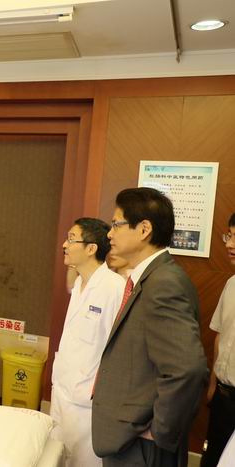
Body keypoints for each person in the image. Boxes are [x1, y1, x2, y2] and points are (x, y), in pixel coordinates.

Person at [92, 187, 208, 467]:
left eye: (116, 224)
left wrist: (160, 432)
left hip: (141, 443)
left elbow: (187, 370)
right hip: (128, 434)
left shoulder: (163, 283)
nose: (109, 234)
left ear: (144, 229)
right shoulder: (150, 278)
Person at [51, 218, 125, 467]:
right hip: (62, 388)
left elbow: (119, 349)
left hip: (87, 400)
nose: (64, 245)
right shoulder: (79, 282)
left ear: (91, 248)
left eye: (71, 239)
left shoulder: (114, 288)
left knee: (83, 461)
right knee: (57, 456)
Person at [201, 213, 235, 467]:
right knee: (213, 459)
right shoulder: (231, 284)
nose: (229, 244)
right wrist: (213, 384)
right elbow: (220, 335)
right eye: (229, 236)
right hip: (223, 397)